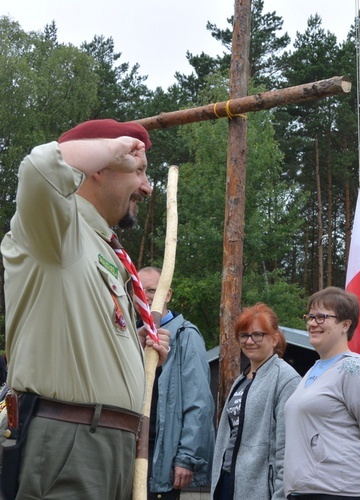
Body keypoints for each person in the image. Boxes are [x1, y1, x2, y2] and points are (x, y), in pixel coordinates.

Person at [1, 119, 171, 499]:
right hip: (70, 439)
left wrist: (135, 348)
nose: (146, 187)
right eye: (139, 171)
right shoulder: (56, 228)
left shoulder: (105, 248)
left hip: (112, 442)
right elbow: (38, 166)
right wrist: (112, 148)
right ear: (98, 169)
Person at [284, 287, 360, 499]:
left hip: (343, 491)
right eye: (310, 316)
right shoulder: (311, 372)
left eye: (322, 317)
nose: (312, 323)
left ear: (345, 325)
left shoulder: (353, 370)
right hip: (307, 491)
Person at [138, 266, 215, 500]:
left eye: (153, 289)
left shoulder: (185, 336)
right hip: (126, 451)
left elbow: (199, 401)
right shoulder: (129, 334)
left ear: (167, 294)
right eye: (139, 289)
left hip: (162, 456)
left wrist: (187, 457)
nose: (146, 295)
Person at [211, 303, 301, 500]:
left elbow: (287, 448)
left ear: (274, 338)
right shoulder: (241, 380)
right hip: (227, 482)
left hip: (259, 490)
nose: (250, 341)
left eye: (258, 334)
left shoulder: (286, 380)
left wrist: (281, 495)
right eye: (244, 335)